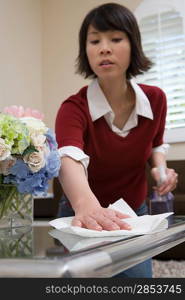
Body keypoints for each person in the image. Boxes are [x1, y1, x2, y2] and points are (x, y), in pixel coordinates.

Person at [55, 2, 178, 277]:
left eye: (115, 38)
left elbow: (156, 144)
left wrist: (160, 171)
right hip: (81, 211)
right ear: (85, 51)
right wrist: (87, 206)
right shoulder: (73, 108)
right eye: (95, 40)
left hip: (132, 213)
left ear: (133, 44)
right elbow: (69, 157)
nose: (104, 48)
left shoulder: (155, 99)